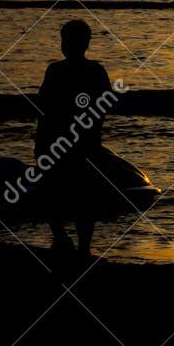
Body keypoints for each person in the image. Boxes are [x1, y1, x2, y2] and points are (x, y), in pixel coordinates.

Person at [35, 19, 113, 256]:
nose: (65, 44)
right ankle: (76, 244)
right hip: (76, 143)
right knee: (78, 197)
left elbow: (45, 106)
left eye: (67, 40)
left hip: (66, 143)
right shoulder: (92, 71)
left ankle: (70, 241)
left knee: (66, 195)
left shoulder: (59, 70)